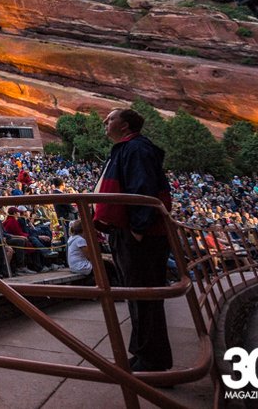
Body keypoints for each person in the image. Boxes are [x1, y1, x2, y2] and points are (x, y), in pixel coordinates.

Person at [95, 108, 173, 373]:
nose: (105, 122)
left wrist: (138, 229)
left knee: (144, 297)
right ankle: (143, 354)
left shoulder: (136, 149)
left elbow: (143, 190)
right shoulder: (128, 148)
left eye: (111, 118)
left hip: (139, 235)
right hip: (131, 232)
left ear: (126, 125)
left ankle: (153, 360)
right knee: (137, 298)